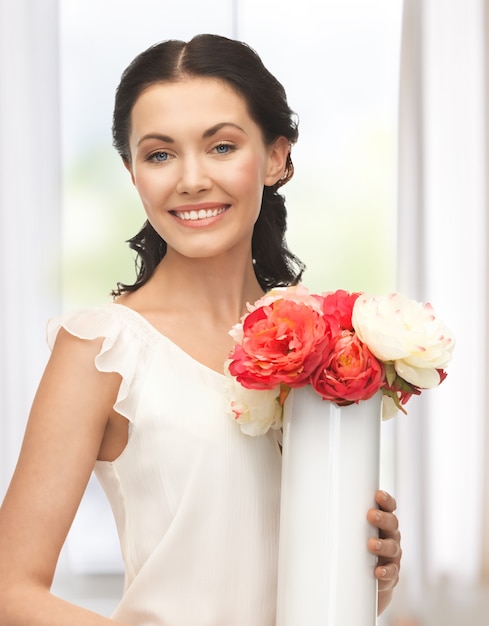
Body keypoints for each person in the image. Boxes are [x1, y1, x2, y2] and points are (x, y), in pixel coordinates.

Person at [0, 34, 402, 625]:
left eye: (220, 146)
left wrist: (375, 570)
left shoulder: (329, 343)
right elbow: (11, 590)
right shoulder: (103, 348)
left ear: (275, 157)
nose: (190, 180)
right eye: (160, 155)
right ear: (133, 173)